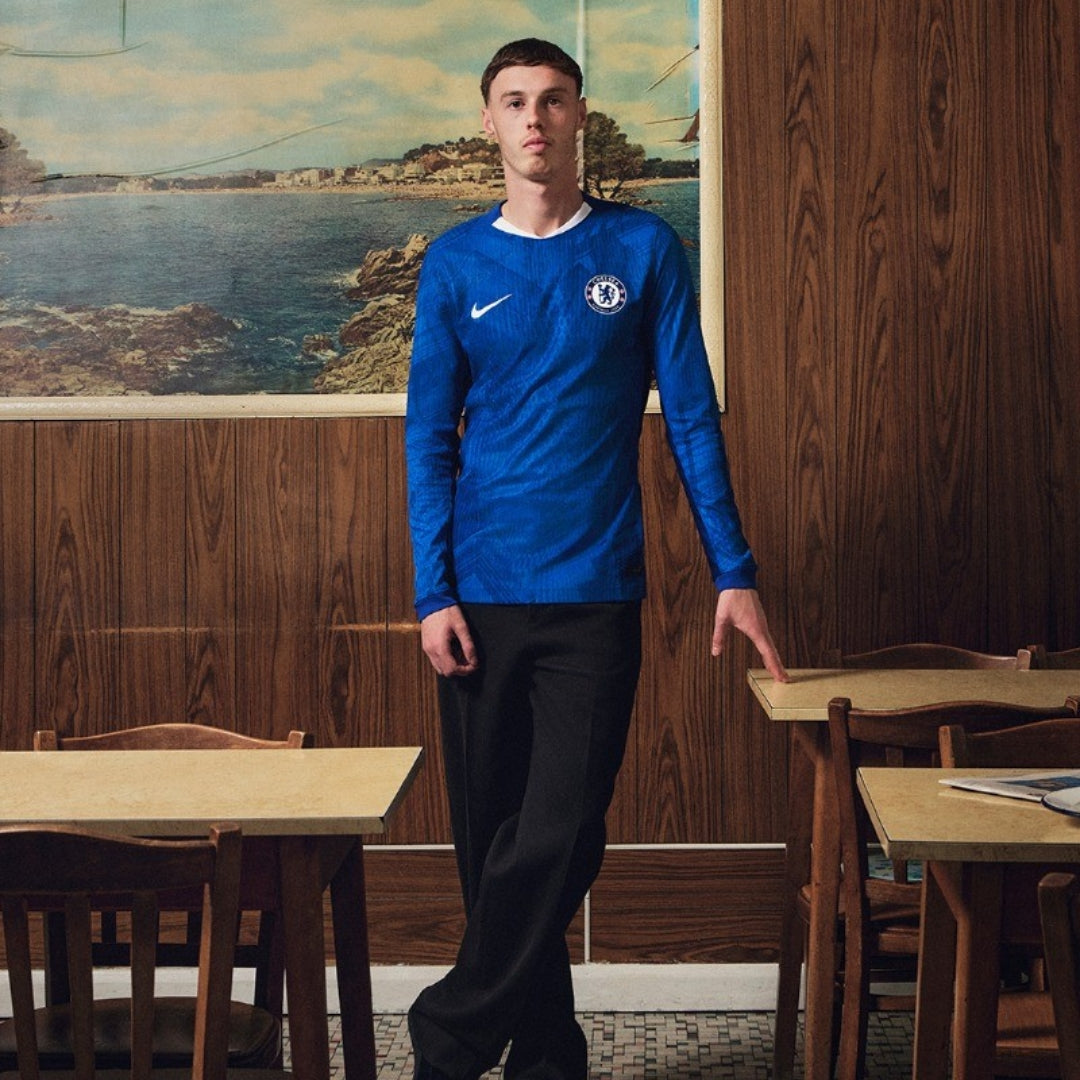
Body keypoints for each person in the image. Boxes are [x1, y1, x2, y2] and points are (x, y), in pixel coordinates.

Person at [404, 37, 787, 1080]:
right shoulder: (455, 262)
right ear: (489, 121)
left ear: (581, 116)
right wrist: (433, 591)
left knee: (562, 832)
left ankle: (446, 1035)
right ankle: (549, 1056)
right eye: (514, 102)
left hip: (596, 595)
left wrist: (734, 569)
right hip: (478, 599)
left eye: (553, 100)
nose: (534, 119)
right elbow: (428, 438)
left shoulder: (643, 248)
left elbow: (692, 419)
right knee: (494, 851)